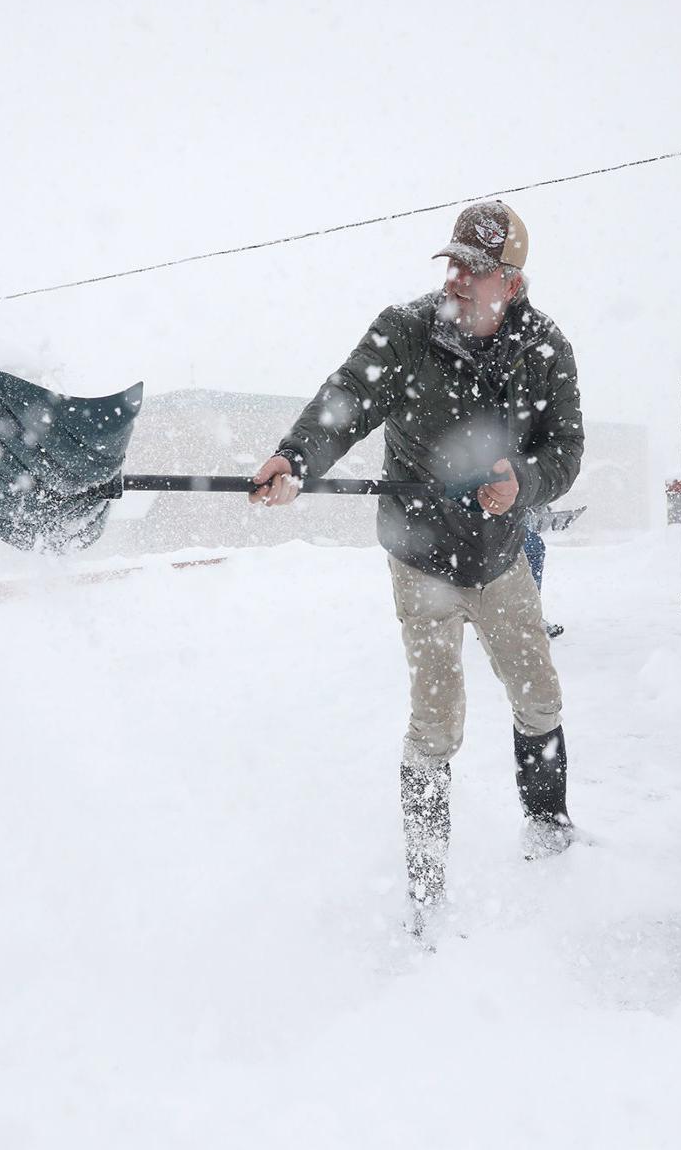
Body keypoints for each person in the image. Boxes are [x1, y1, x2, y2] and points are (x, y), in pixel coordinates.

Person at [248, 200, 584, 933]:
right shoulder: (404, 331)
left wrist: (520, 483)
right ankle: (426, 886)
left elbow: (566, 453)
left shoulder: (546, 348)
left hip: (499, 559)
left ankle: (549, 827)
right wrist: (296, 457)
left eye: (478, 269)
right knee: (435, 723)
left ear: (513, 285)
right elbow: (345, 399)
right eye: (453, 263)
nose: (458, 279)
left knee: (538, 696)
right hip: (422, 558)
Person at [520, 506, 564, 638]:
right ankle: (495, 623)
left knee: (533, 587)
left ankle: (534, 617)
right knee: (508, 588)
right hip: (514, 548)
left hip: (533, 548)